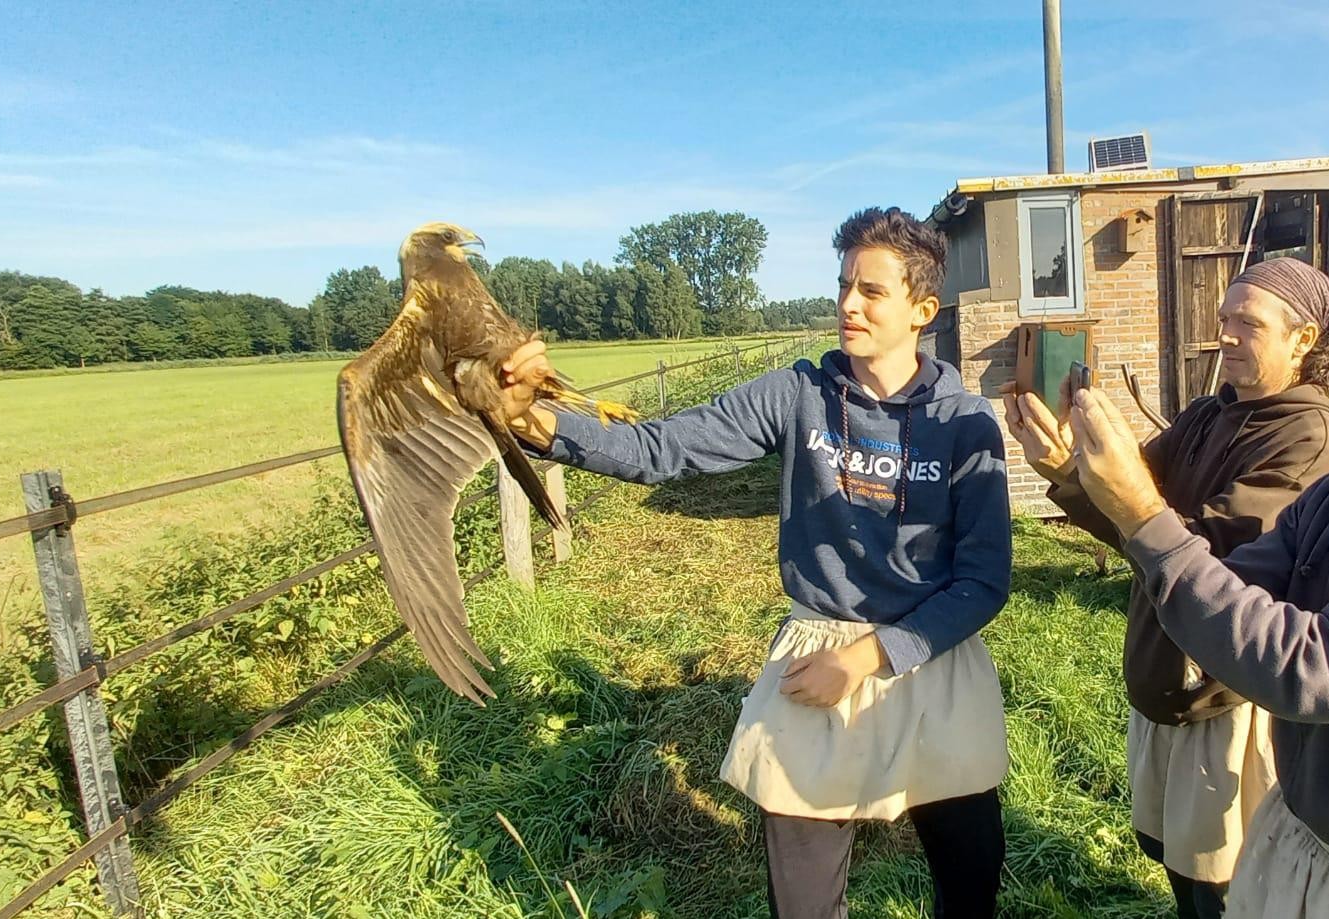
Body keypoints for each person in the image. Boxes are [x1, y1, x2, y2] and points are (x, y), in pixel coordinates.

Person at [500, 207, 1012, 918]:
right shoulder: (796, 395)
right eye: (842, 285)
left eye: (870, 291)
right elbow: (660, 448)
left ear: (922, 309)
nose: (846, 305)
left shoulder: (964, 422)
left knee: (969, 885)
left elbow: (983, 581)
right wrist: (534, 421)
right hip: (817, 656)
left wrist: (869, 657)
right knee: (800, 897)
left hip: (930, 653)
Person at [1002, 257, 1329, 918]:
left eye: (1248, 322)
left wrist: (1125, 500)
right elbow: (1132, 516)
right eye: (1223, 319)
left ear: (1303, 339)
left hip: (1220, 692)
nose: (1226, 335)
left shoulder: (1304, 435)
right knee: (1173, 861)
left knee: (1219, 878)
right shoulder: (1208, 414)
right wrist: (1066, 467)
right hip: (1164, 665)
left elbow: (1216, 563)